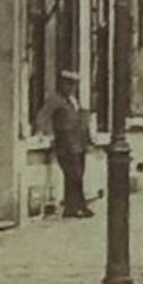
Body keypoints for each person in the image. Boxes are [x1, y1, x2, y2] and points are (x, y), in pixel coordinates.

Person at [43, 70, 92, 218]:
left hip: (79, 145)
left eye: (74, 84)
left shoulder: (74, 101)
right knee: (73, 176)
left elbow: (81, 121)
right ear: (62, 84)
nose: (71, 88)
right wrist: (48, 135)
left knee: (78, 176)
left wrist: (88, 139)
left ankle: (78, 206)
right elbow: (43, 117)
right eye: (68, 84)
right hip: (65, 145)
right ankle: (75, 207)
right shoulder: (55, 100)